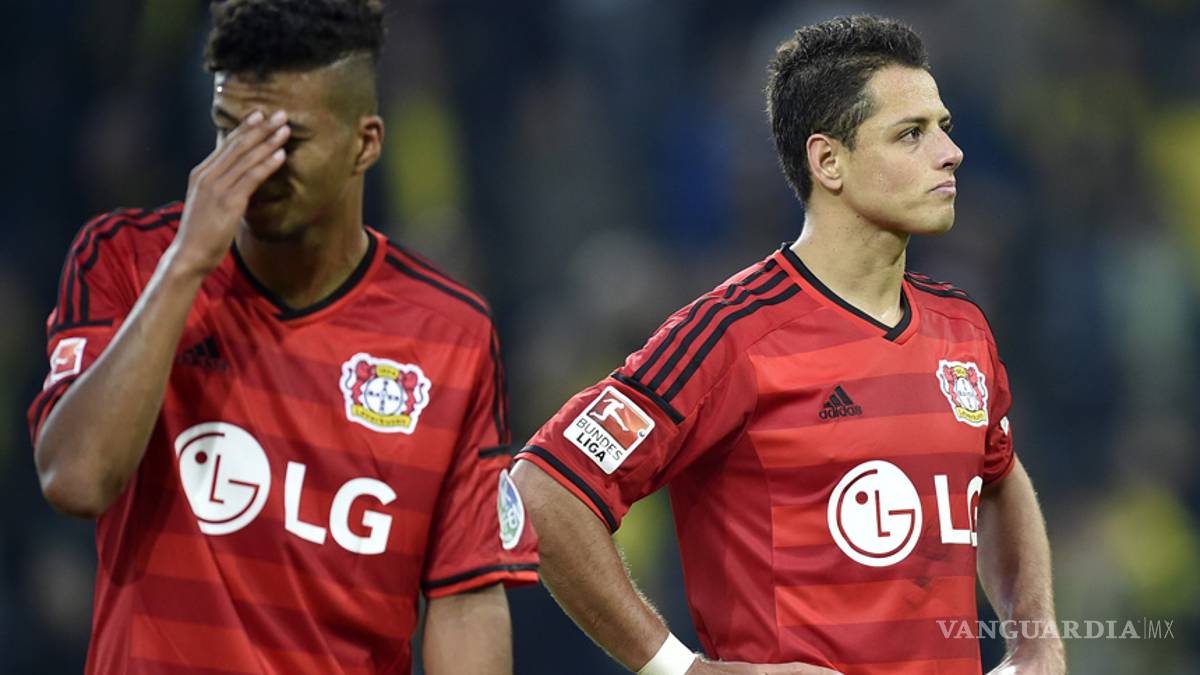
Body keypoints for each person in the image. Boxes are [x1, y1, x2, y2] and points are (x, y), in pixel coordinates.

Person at [512, 15, 1066, 675]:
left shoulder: (962, 327)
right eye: (911, 133)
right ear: (828, 161)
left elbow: (999, 477)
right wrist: (682, 669)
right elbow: (545, 487)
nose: (951, 152)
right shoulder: (732, 335)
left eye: (943, 127)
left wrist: (1035, 637)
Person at [27, 1, 537, 673]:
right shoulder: (128, 261)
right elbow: (76, 478)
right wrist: (187, 264)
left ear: (365, 144)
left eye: (286, 140)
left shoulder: (451, 336)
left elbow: (465, 598)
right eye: (232, 132)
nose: (254, 166)